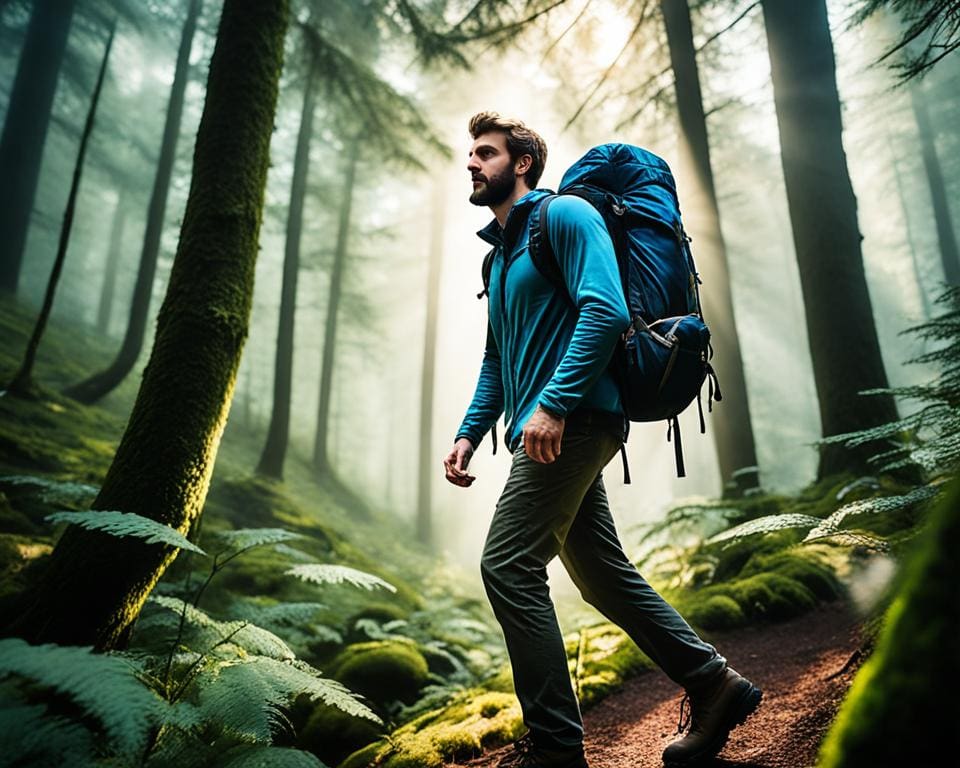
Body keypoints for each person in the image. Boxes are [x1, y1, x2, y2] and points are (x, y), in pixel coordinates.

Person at [442, 112, 762, 768]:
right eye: (469, 155)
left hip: (578, 421)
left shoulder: (565, 217)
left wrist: (554, 406)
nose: (471, 164)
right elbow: (495, 359)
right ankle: (713, 683)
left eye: (484, 153)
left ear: (522, 161)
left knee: (507, 566)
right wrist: (469, 433)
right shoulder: (499, 254)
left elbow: (607, 309)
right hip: (545, 430)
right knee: (601, 578)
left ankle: (556, 748)